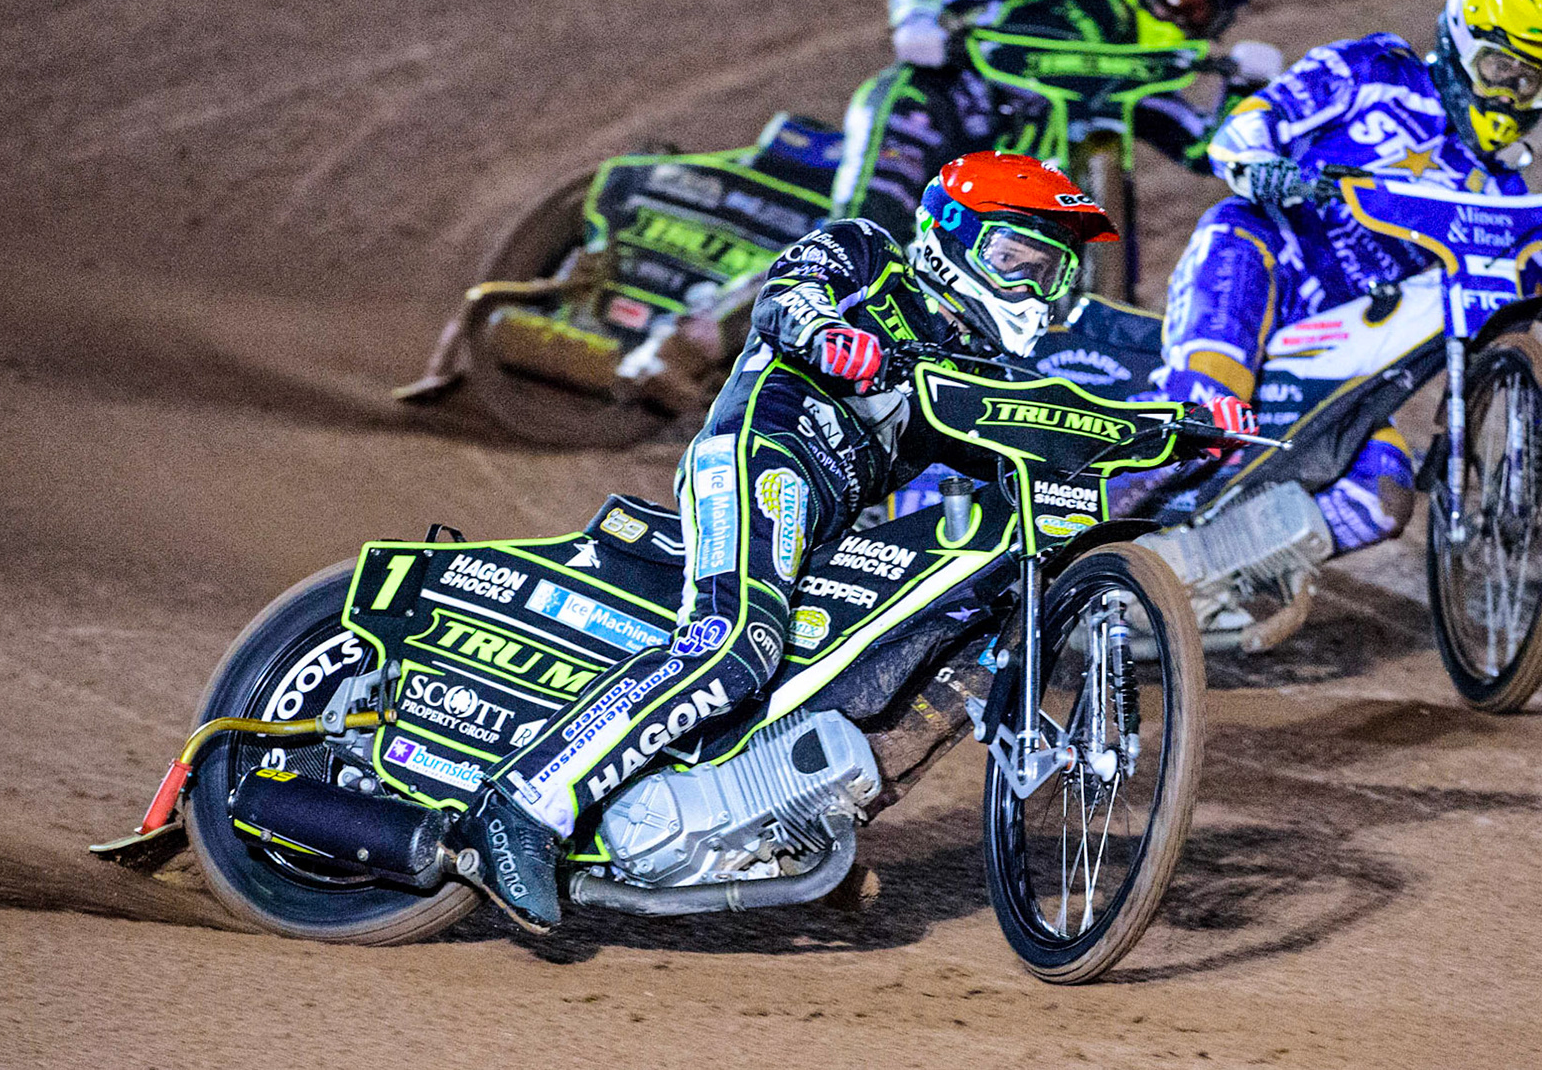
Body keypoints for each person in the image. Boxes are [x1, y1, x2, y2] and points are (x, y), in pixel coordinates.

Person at [455, 151, 1258, 931]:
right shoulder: (868, 253)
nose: (1031, 287)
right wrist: (831, 334)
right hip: (762, 455)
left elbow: (1054, 420)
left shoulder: (975, 362)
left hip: (836, 518)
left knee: (901, 659)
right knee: (734, 645)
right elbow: (787, 295)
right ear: (951, 236)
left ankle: (769, 824)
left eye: (1048, 272)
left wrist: (1182, 432)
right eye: (1016, 259)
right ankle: (522, 805)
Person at [1154, 0, 1542, 552]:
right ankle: (1075, 535)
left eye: (1530, 83)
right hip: (1259, 259)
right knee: (1204, 420)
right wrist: (1261, 165)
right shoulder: (1373, 72)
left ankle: (1198, 579)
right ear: (1458, 47)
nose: (1509, 95)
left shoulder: (1500, 194)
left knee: (1383, 495)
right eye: (1500, 70)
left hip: (1339, 349)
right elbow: (1262, 115)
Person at [831, 0, 1279, 239]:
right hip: (938, 110)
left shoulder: (1143, 83)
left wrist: (1246, 88)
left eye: (1204, 14)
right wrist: (919, 19)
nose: (1184, 17)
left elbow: (1208, 150)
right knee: (871, 229)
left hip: (999, 185)